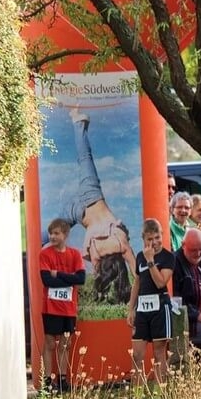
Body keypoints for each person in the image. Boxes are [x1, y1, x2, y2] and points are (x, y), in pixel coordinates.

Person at [65, 110, 134, 305]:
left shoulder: (120, 243)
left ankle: (78, 122)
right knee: (48, 234)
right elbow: (98, 275)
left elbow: (135, 269)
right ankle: (80, 124)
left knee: (85, 158)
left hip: (91, 196)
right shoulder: (95, 252)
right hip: (77, 213)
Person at [38, 217, 86, 391]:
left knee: (66, 344)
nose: (52, 237)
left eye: (56, 233)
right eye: (51, 233)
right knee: (50, 343)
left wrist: (57, 274)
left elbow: (80, 279)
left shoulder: (75, 254)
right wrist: (69, 279)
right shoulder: (45, 254)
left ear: (65, 235)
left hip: (68, 309)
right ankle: (47, 381)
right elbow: (46, 280)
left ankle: (63, 379)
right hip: (50, 307)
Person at [127, 218, 176, 385]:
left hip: (160, 307)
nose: (154, 242)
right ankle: (137, 396)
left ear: (162, 235)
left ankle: (161, 395)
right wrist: (131, 308)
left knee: (159, 353)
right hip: (142, 308)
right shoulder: (140, 256)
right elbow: (137, 282)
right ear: (143, 239)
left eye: (157, 237)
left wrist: (150, 261)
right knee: (137, 354)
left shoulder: (168, 257)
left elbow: (161, 282)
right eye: (150, 239)